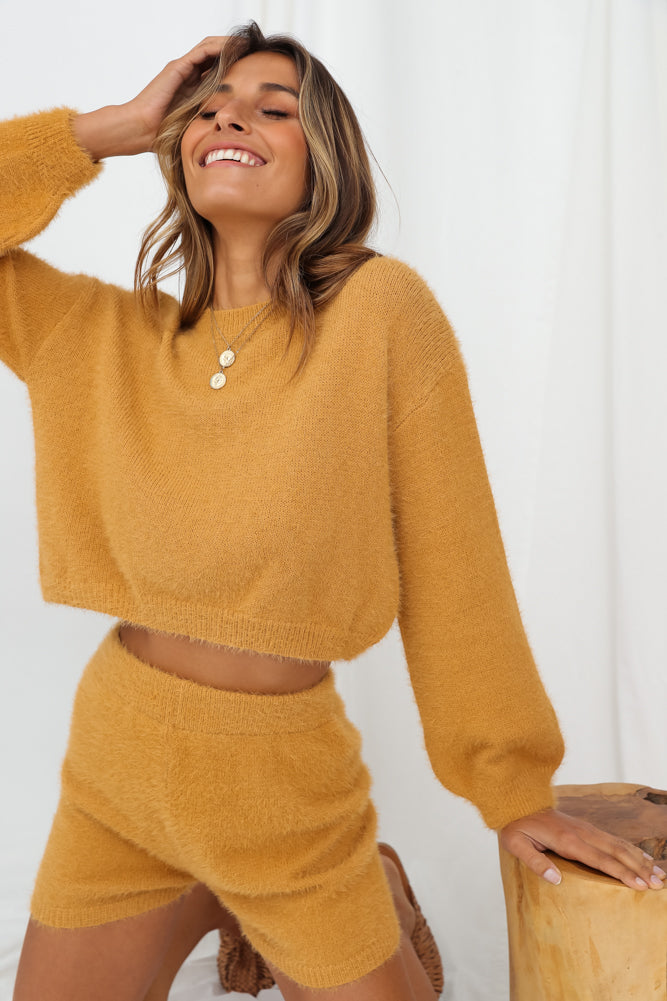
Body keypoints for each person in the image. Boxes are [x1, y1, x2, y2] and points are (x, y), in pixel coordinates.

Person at [2, 21, 664, 1001]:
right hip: (118, 776)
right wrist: (106, 128)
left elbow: (453, 561)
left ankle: (373, 884)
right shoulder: (100, 335)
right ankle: (206, 896)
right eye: (209, 108)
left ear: (324, 162)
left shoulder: (379, 312)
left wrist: (510, 789)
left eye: (272, 109)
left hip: (284, 791)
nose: (232, 118)